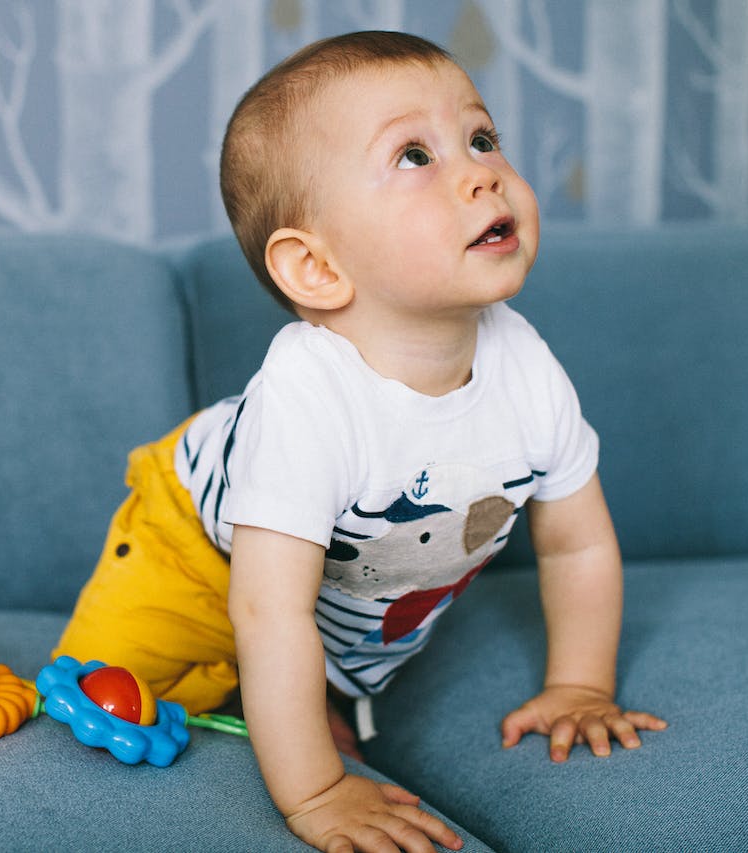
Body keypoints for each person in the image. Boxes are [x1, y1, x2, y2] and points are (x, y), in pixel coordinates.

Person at [55, 31, 667, 852]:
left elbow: (577, 546)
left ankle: (286, 698)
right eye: (416, 155)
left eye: (481, 138)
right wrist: (316, 793)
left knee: (285, 668)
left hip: (339, 596)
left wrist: (580, 684)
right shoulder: (310, 395)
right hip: (192, 545)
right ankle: (238, 694)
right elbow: (270, 610)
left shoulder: (527, 368)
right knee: (102, 693)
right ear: (316, 268)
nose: (482, 170)